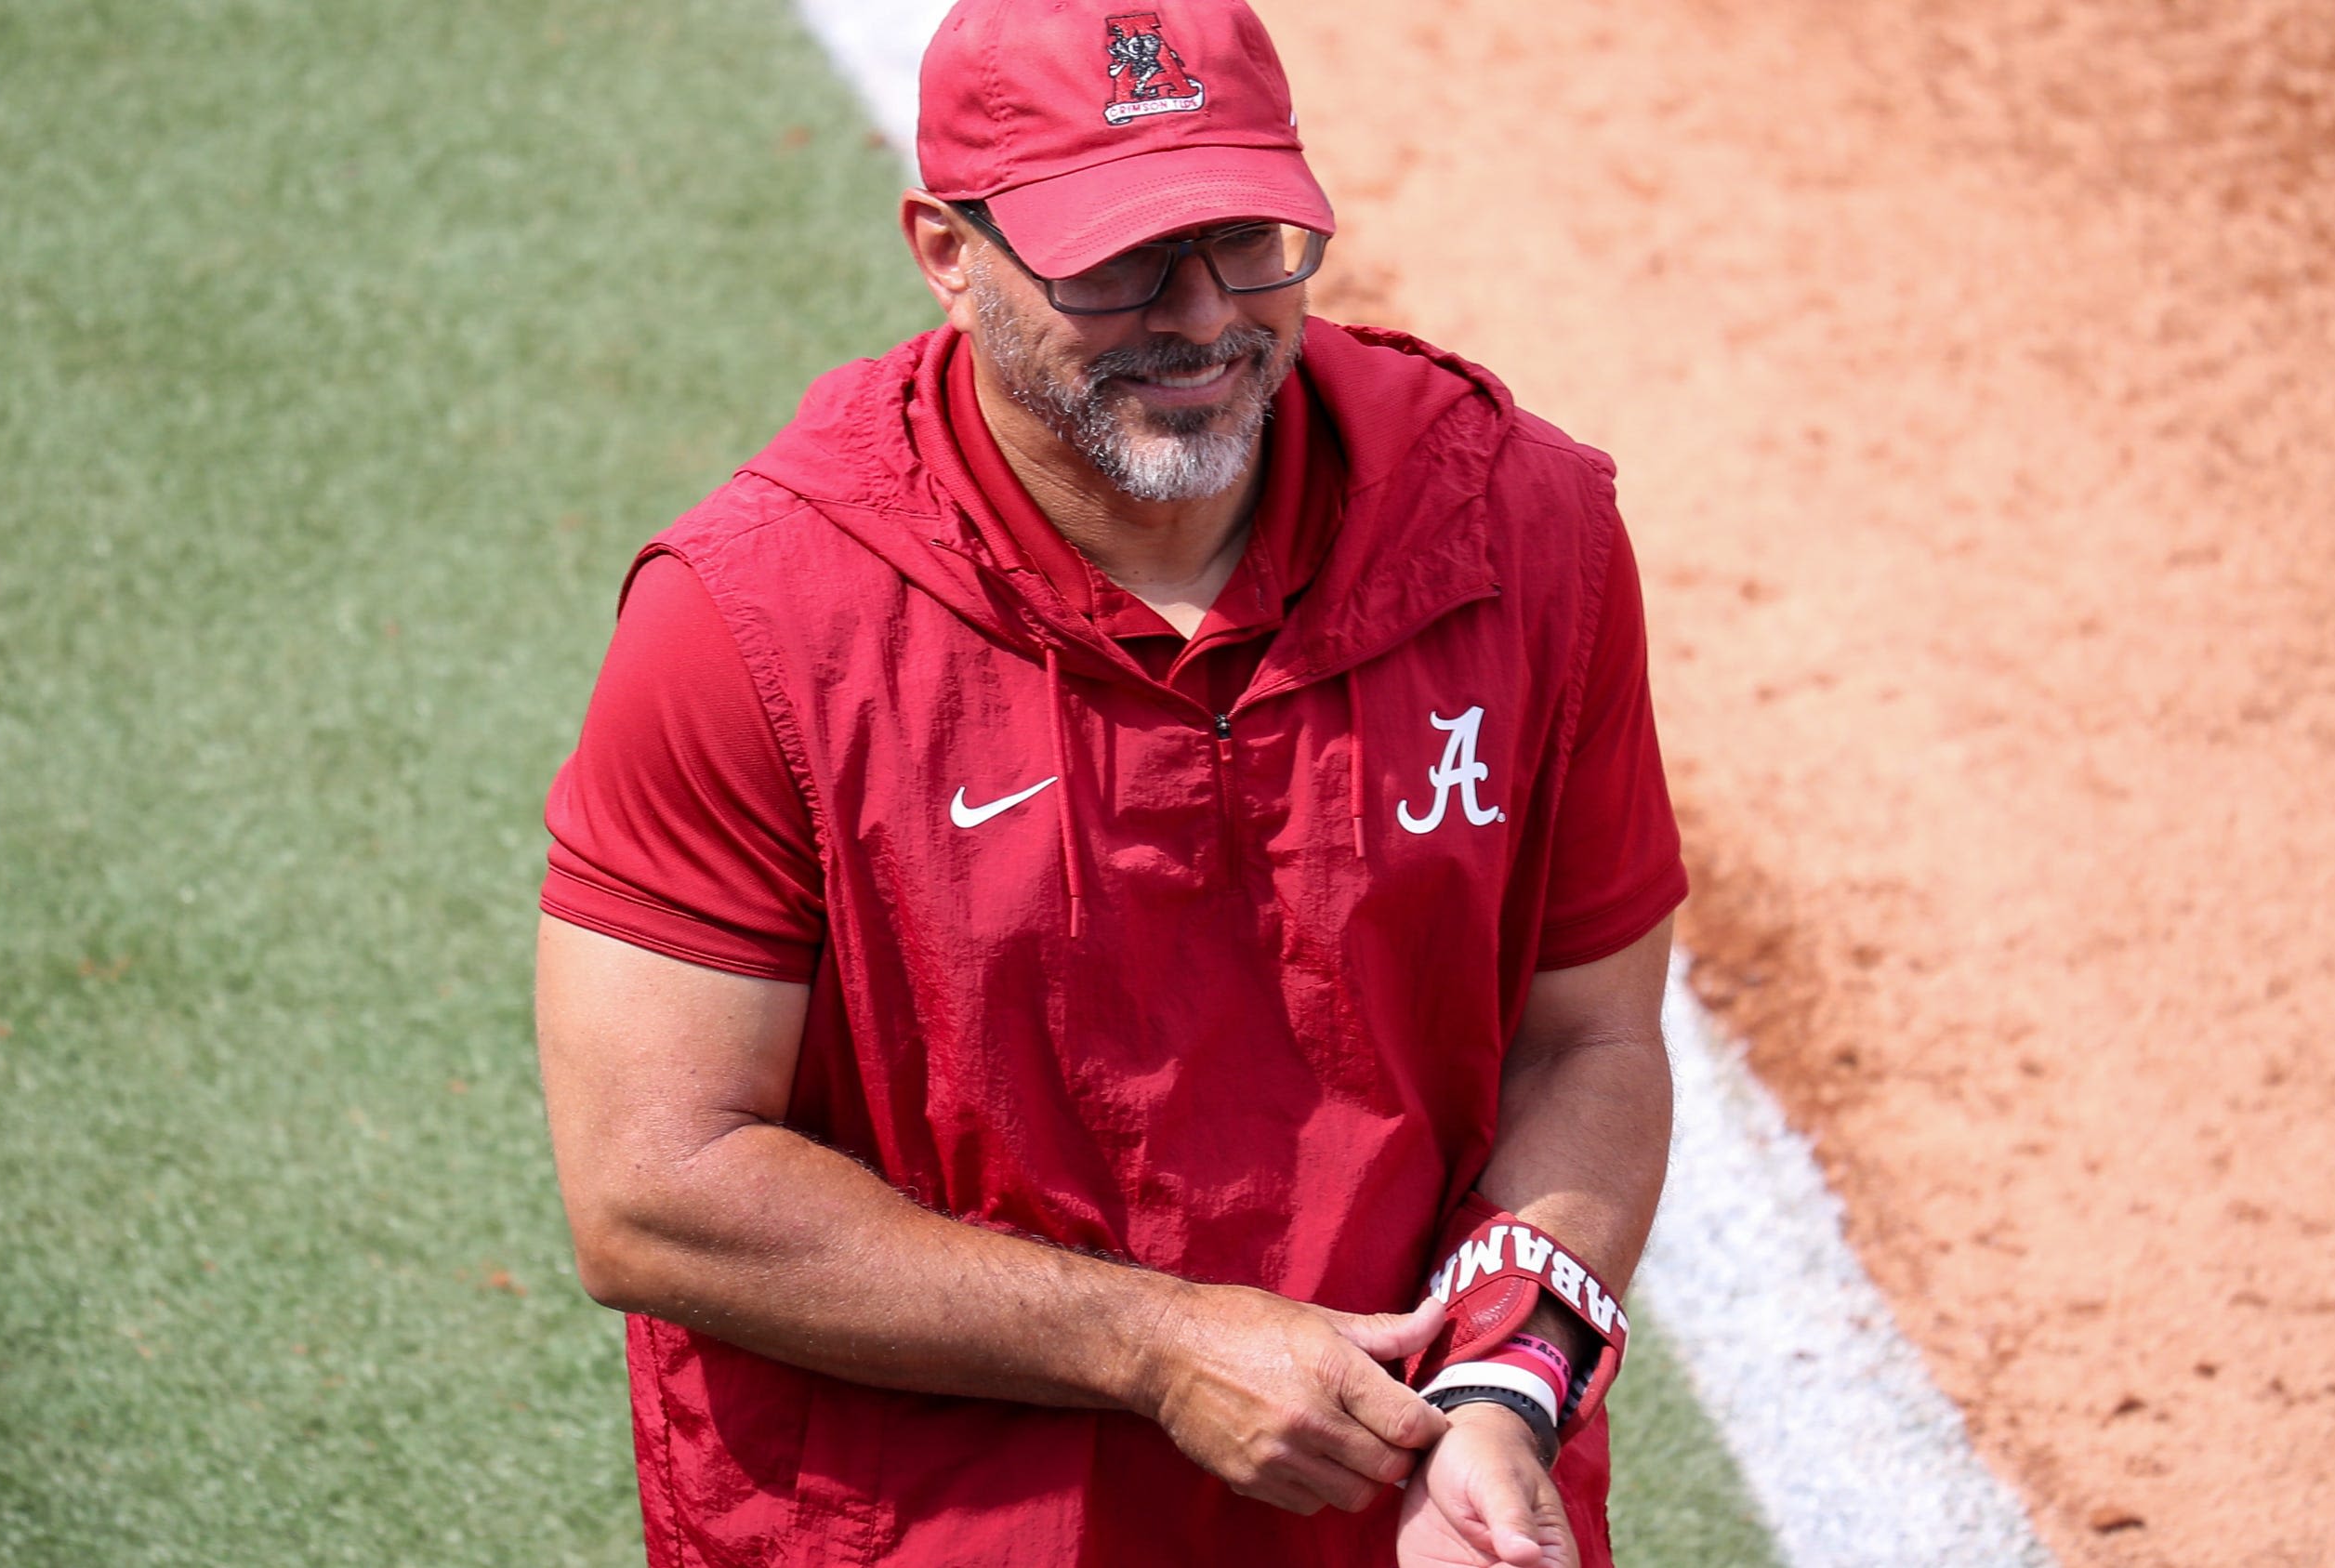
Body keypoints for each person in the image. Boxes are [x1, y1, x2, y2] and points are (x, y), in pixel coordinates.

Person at [532, 1, 1686, 1563]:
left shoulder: (1522, 531)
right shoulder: (751, 620)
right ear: (946, 250)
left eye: (1245, 235)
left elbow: (1590, 1045)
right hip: (938, 1533)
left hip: (1405, 1517)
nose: (1204, 314)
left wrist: (1502, 1391)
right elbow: (653, 1186)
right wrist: (1152, 1346)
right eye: (1120, 259)